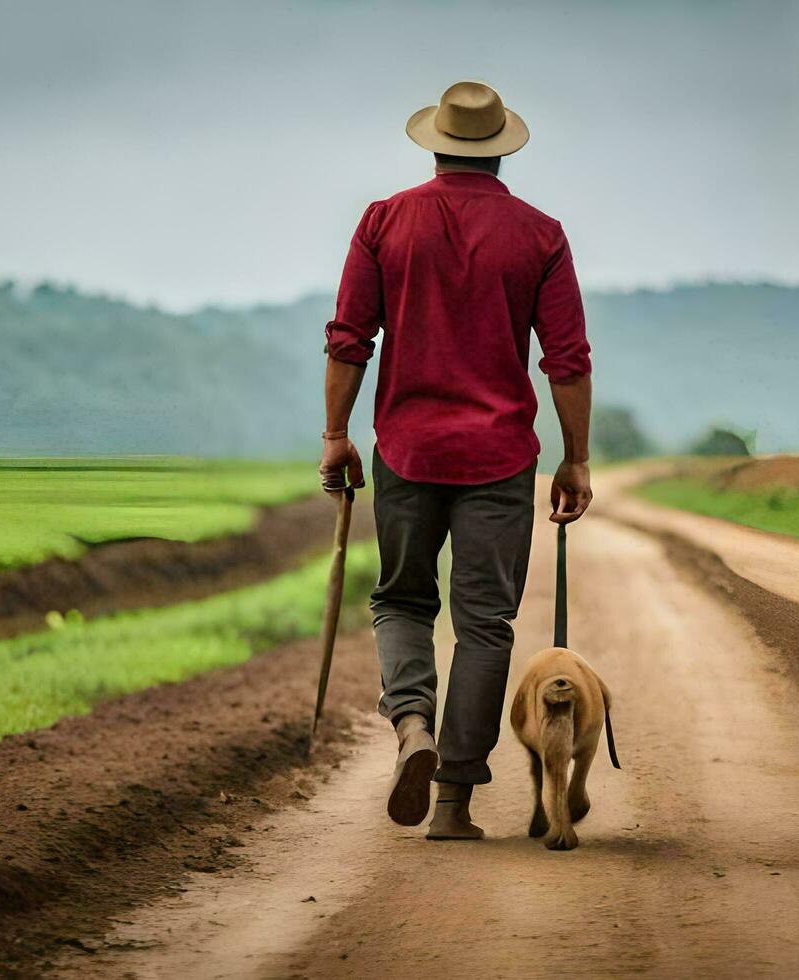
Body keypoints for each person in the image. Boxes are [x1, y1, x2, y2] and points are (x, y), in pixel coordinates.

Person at [318, 80, 593, 840]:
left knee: (402, 602)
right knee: (485, 625)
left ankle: (413, 729)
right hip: (500, 460)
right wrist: (576, 460)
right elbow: (565, 359)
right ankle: (452, 805)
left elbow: (350, 337)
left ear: (435, 143)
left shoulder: (384, 221)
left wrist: (336, 434)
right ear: (502, 150)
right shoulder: (540, 235)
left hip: (407, 450)